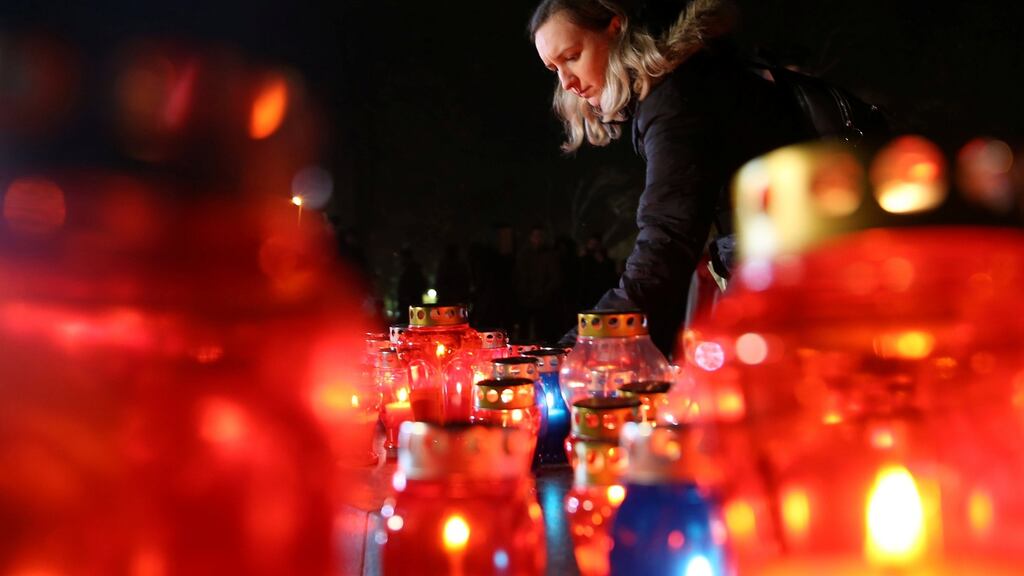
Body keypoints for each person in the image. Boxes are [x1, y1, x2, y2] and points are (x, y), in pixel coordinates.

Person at [530, 0, 807, 356]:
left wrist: (586, 343)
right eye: (554, 69)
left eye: (571, 56)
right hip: (792, 276)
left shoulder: (675, 98)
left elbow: (667, 238)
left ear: (615, 29)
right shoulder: (685, 82)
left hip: (795, 286)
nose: (566, 82)